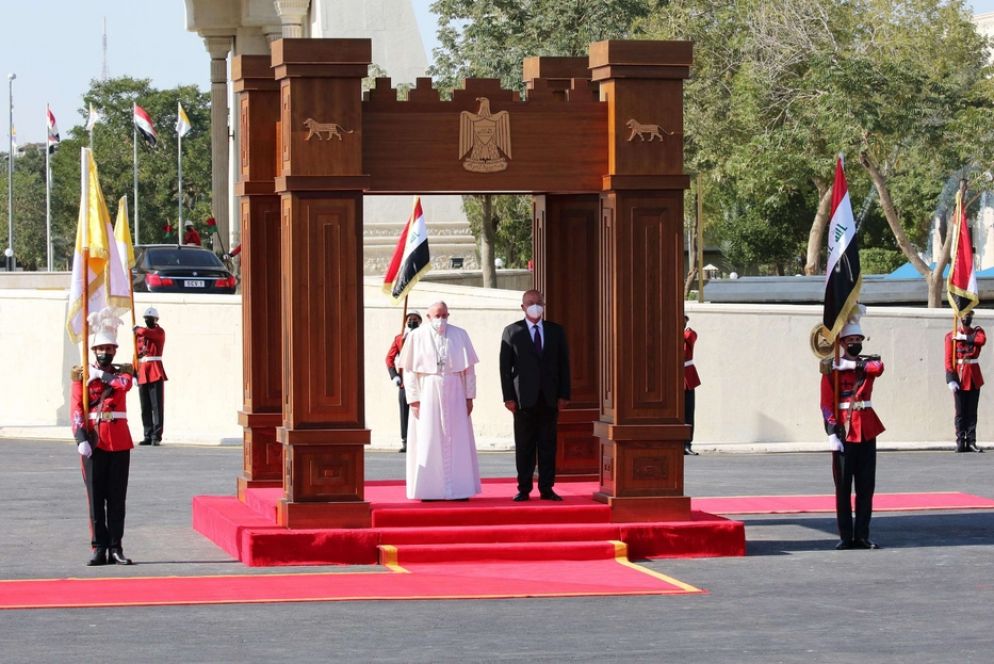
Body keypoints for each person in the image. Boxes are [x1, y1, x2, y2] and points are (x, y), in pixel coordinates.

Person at [70, 307, 135, 566]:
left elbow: (125, 385)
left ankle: (116, 547)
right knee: (96, 499)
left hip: (119, 441)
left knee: (117, 498)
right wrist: (80, 438)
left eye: (109, 349)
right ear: (94, 351)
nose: (105, 352)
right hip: (94, 442)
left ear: (115, 351)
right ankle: (99, 546)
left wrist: (103, 375)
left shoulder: (123, 372)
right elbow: (77, 407)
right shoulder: (81, 375)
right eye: (101, 349)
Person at [397, 301, 482, 501]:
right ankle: (430, 489)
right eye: (437, 315)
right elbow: (409, 371)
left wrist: (469, 397)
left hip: (455, 392)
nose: (441, 319)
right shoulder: (416, 336)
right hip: (427, 392)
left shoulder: (460, 334)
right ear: (428, 317)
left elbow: (469, 370)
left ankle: (460, 489)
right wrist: (413, 399)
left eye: (444, 315)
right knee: (429, 438)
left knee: (457, 439)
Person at [820, 309, 884, 550]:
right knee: (844, 488)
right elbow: (826, 403)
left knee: (866, 487)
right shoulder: (830, 369)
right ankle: (846, 536)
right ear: (842, 343)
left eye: (858, 341)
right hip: (844, 431)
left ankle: (863, 535)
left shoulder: (865, 362)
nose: (856, 344)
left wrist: (847, 363)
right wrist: (831, 431)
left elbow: (877, 367)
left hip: (866, 429)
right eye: (851, 341)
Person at [500, 289, 571, 502]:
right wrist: (508, 397)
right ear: (523, 307)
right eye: (530, 302)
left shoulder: (555, 331)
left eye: (538, 302)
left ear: (543, 305)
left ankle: (547, 488)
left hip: (549, 398)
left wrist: (564, 395)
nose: (535, 305)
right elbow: (505, 368)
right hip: (523, 399)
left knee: (548, 445)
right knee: (525, 445)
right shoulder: (512, 331)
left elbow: (564, 365)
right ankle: (523, 488)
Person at [945, 312, 985, 453]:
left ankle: (972, 441)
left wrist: (965, 337)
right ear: (960, 318)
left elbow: (981, 340)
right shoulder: (951, 336)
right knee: (960, 412)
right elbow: (948, 359)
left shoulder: (977, 332)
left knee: (972, 412)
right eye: (965, 316)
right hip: (960, 376)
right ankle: (961, 441)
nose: (967, 319)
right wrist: (950, 379)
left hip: (973, 376)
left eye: (970, 315)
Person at [386, 311, 422, 453]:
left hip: (421, 381)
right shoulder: (399, 338)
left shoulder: (425, 336)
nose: (412, 321)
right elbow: (389, 358)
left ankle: (422, 440)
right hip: (405, 382)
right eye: (410, 319)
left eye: (415, 319)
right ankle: (406, 441)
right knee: (405, 412)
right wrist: (394, 375)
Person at [135, 306, 167, 446]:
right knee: (145, 406)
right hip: (143, 370)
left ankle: (157, 435)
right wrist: (134, 372)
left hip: (155, 370)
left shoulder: (159, 332)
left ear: (156, 320)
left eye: (150, 319)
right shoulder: (142, 335)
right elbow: (137, 353)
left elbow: (145, 331)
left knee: (157, 406)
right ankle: (147, 434)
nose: (148, 321)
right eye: (146, 319)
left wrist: (137, 329)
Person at [684, 315, 701, 456]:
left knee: (688, 413)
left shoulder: (689, 334)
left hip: (687, 378)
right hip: (672, 379)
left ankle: (687, 443)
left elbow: (690, 336)